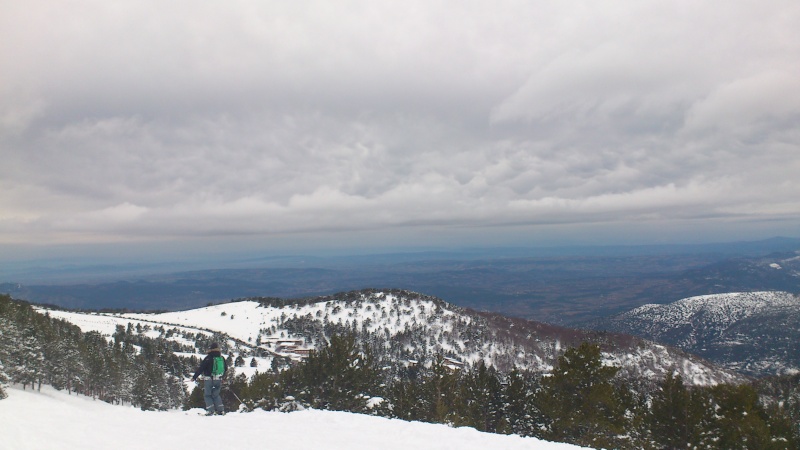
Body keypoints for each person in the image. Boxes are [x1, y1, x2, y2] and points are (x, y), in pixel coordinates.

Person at [192, 342, 227, 415]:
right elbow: (225, 368)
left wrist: (194, 377)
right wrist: (223, 377)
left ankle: (210, 410)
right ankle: (221, 410)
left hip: (209, 379)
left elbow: (201, 368)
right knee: (216, 395)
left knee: (207, 395)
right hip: (218, 378)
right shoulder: (221, 358)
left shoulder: (208, 358)